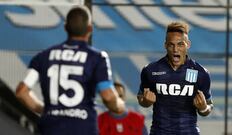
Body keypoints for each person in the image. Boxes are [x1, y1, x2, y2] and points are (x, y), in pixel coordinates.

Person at [15, 6, 124, 135]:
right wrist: (119, 105)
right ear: (90, 29)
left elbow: (22, 92)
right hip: (83, 128)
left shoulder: (43, 56)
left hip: (50, 128)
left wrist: (46, 109)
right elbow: (108, 97)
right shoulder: (97, 58)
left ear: (65, 27)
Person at [137, 21, 213, 135]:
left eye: (180, 44)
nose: (175, 49)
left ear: (188, 44)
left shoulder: (201, 73)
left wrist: (203, 108)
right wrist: (146, 102)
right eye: (171, 44)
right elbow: (141, 98)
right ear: (165, 45)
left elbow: (209, 106)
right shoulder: (151, 70)